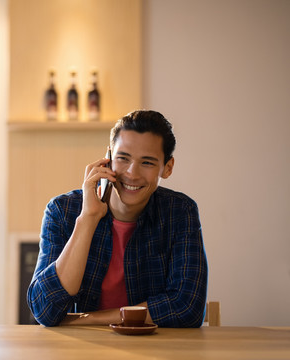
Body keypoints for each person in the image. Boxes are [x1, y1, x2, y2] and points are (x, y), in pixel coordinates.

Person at [27, 110, 208, 327]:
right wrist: (88, 218)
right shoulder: (62, 210)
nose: (132, 173)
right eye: (123, 158)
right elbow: (45, 310)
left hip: (155, 348)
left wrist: (87, 319)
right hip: (81, 350)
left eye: (147, 162)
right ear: (108, 157)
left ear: (167, 168)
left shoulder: (180, 212)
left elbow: (188, 308)